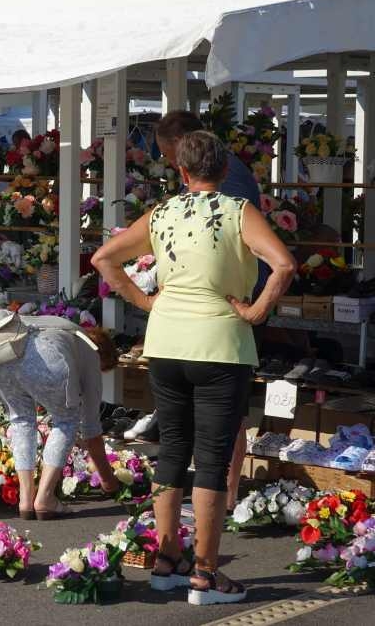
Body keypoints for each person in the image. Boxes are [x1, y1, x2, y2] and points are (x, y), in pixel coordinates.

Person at [92, 130, 295, 605]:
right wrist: (256, 310)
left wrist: (146, 301)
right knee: (212, 457)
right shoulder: (238, 211)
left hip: (165, 341)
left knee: (172, 448)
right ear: (225, 171)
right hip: (220, 343)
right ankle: (205, 573)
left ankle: (167, 562)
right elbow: (283, 265)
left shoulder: (162, 212)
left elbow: (105, 258)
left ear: (181, 172)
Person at [155, 110, 263, 510]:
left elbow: (105, 258)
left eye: (171, 156)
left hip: (227, 307)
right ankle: (212, 523)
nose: (170, 165)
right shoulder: (222, 180)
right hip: (216, 316)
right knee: (205, 428)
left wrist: (255, 307)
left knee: (208, 428)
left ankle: (226, 497)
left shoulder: (227, 192)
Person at [0, 312, 121, 520]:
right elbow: (91, 429)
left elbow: (0, 315)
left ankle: (26, 499)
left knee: (21, 420)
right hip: (45, 357)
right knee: (65, 420)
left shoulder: (55, 325)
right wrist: (109, 481)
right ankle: (45, 497)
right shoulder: (90, 352)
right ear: (104, 357)